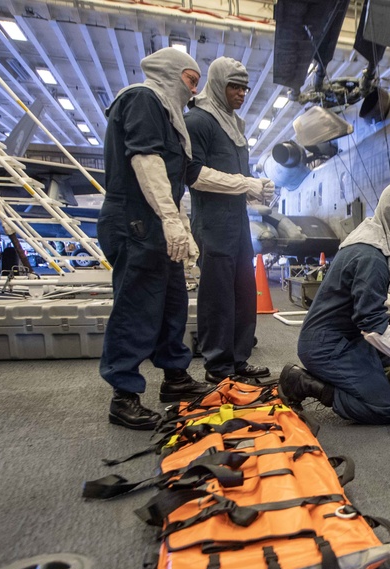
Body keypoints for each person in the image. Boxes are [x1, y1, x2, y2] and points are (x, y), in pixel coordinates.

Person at [98, 48, 213, 430]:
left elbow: (176, 179)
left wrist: (178, 220)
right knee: (136, 306)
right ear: (169, 72)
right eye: (191, 79)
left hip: (153, 218)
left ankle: (175, 378)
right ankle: (123, 395)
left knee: (171, 301)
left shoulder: (169, 114)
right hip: (135, 217)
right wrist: (169, 218)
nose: (194, 91)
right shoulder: (143, 98)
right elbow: (145, 161)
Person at [279, 182, 390, 425]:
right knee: (384, 407)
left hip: (345, 337)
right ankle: (303, 383)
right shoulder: (372, 257)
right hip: (326, 346)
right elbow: (372, 326)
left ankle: (360, 375)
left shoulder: (373, 243)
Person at [185, 57, 275, 384]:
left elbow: (239, 177)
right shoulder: (198, 120)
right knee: (217, 297)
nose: (241, 94)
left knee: (243, 292)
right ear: (219, 84)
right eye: (234, 87)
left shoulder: (235, 124)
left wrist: (258, 190)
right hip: (213, 224)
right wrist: (245, 184)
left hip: (237, 224)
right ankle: (217, 366)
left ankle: (238, 359)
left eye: (244, 88)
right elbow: (192, 174)